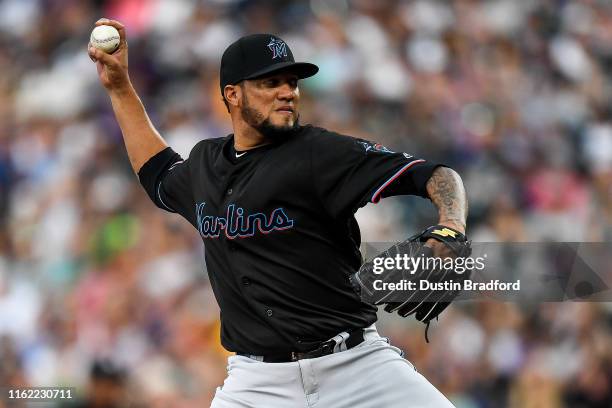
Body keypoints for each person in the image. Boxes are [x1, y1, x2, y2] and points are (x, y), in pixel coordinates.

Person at [89, 18, 467, 408]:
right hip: (257, 384)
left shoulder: (322, 153)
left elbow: (436, 175)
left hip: (357, 366)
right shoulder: (205, 164)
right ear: (232, 94)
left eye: (292, 82)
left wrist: (451, 226)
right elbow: (157, 174)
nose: (287, 92)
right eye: (270, 83)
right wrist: (119, 89)